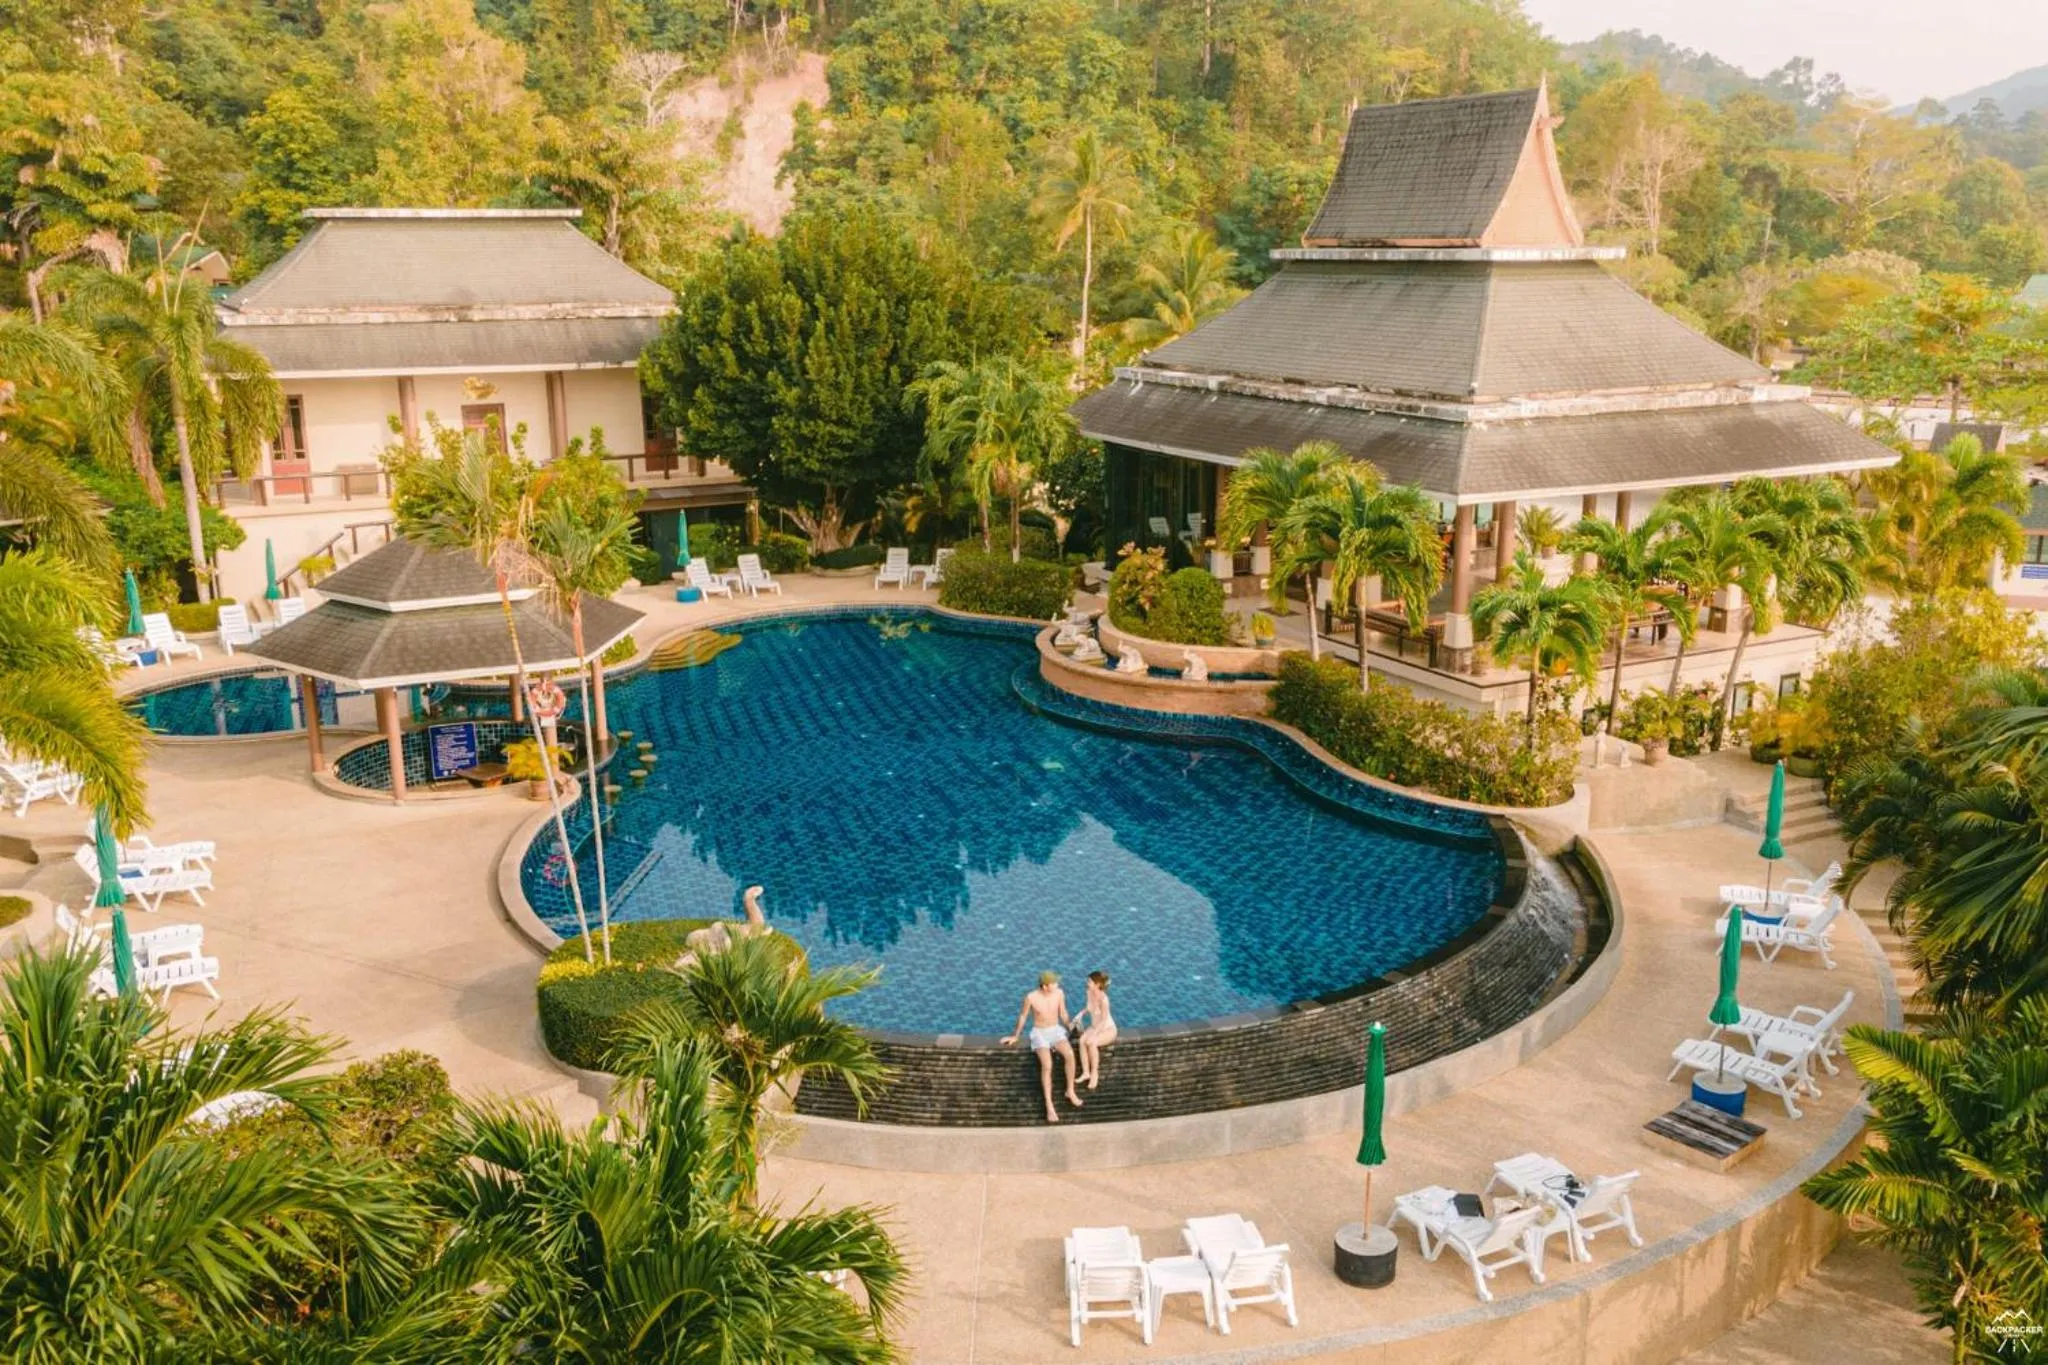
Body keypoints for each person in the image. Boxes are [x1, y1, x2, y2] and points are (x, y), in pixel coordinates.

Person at [1001, 970, 1084, 1123]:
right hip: (1039, 1033)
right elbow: (1023, 1016)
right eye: (1053, 982)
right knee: (1047, 1065)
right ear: (1045, 986)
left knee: (1070, 1055)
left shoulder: (1059, 993)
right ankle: (1049, 1104)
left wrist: (1070, 1025)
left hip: (1055, 1030)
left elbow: (1063, 1013)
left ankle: (1070, 1091)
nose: (1057, 984)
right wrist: (1016, 1036)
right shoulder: (1031, 997)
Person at [1073, 970, 1117, 1090]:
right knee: (1082, 1041)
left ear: (1097, 984)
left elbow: (1103, 1020)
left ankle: (1094, 1074)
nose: (1087, 983)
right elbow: (1088, 1008)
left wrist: (1095, 1034)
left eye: (1090, 981)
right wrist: (1080, 1014)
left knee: (1092, 1043)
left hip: (1107, 1029)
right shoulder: (1089, 993)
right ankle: (1086, 1072)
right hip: (1095, 1026)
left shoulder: (1104, 1000)